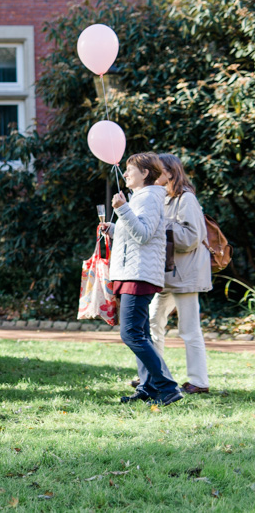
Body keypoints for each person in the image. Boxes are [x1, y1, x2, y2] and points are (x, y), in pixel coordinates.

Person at [106, 152, 182, 406]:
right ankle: (148, 387)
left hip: (139, 274)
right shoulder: (141, 197)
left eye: (130, 170)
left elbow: (144, 235)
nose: (125, 174)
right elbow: (134, 234)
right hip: (133, 272)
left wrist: (122, 209)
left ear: (145, 174)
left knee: (130, 334)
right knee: (141, 334)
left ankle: (168, 387)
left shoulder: (149, 197)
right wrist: (114, 228)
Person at [134, 153, 210, 394]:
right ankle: (153, 377)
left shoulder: (186, 199)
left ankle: (199, 382)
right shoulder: (159, 197)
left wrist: (161, 226)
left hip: (185, 276)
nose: (154, 173)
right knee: (153, 323)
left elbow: (191, 238)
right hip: (163, 275)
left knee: (189, 329)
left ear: (170, 172)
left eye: (159, 169)